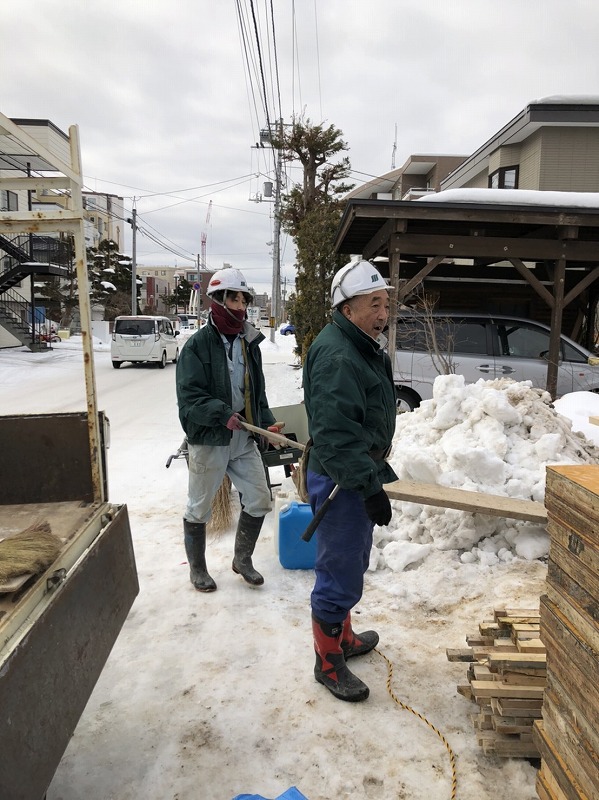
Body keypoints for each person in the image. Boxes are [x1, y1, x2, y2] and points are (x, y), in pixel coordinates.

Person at [302, 259, 398, 702]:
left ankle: (343, 637)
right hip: (344, 477)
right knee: (339, 570)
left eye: (385, 304)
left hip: (358, 471)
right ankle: (327, 661)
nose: (383, 314)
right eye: (374, 304)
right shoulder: (339, 355)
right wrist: (369, 485)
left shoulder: (360, 345)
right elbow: (337, 436)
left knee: (352, 562)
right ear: (347, 309)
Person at [176, 267, 282, 592]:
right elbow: (189, 400)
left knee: (260, 498)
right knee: (199, 508)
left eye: (244, 299)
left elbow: (257, 394)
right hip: (210, 439)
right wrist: (222, 413)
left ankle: (242, 559)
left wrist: (265, 424)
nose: (241, 306)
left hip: (242, 439)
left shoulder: (250, 344)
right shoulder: (196, 347)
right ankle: (197, 569)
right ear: (218, 301)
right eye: (234, 298)